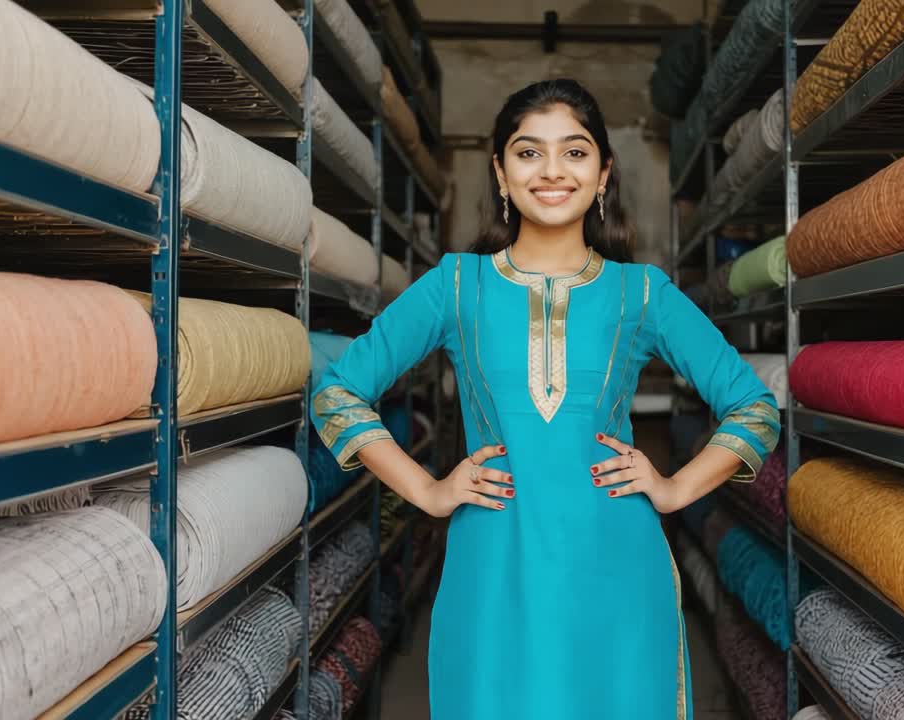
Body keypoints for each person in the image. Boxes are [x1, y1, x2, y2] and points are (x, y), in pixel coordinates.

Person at [311, 78, 780, 720]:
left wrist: (673, 489)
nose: (553, 171)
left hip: (616, 565)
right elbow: (337, 391)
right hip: (493, 568)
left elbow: (753, 407)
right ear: (501, 174)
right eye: (529, 153)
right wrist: (425, 491)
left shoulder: (640, 293)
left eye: (576, 152)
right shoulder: (457, 285)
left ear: (603, 174)